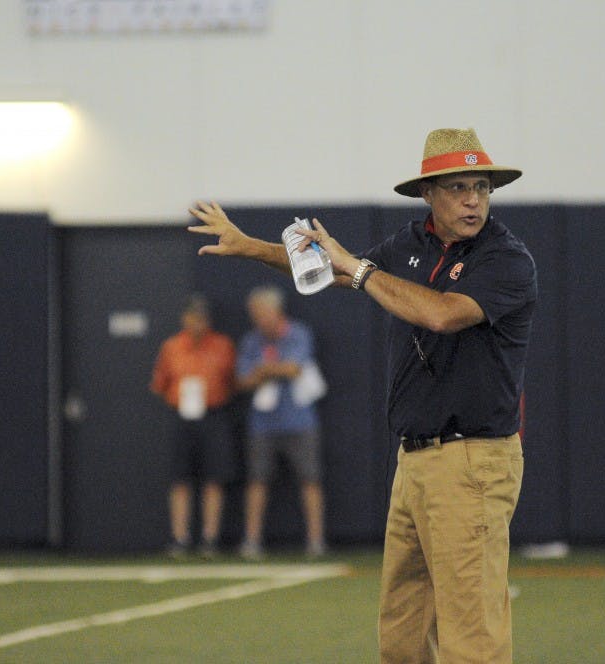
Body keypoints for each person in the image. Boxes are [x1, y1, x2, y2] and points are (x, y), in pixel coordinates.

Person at [188, 126, 536, 663]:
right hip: (415, 459)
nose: (473, 200)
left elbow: (440, 314)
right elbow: (335, 270)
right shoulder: (409, 243)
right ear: (429, 193)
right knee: (401, 632)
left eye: (482, 188)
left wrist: (363, 268)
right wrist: (249, 248)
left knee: (471, 638)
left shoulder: (506, 259)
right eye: (459, 188)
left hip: (473, 461)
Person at [235, 285, 328, 560]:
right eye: (254, 315)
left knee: (310, 479)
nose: (258, 320)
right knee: (257, 480)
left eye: (262, 314)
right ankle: (252, 541)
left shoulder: (298, 333)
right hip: (262, 424)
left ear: (276, 312)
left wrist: (263, 370)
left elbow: (295, 367)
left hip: (300, 421)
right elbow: (242, 380)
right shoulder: (251, 341)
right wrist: (270, 371)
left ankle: (315, 540)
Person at [150, 294, 237, 558]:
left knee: (215, 478)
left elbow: (232, 381)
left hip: (214, 415)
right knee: (180, 479)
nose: (197, 323)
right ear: (184, 318)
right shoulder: (172, 347)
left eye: (201, 318)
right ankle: (180, 538)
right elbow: (159, 384)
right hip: (182, 416)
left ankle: (210, 539)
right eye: (192, 317)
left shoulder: (222, 345)